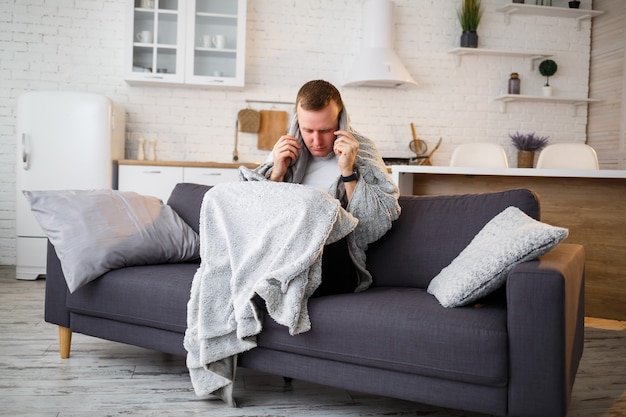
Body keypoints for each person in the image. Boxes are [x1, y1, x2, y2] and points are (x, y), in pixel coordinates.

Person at [242, 80, 401, 295]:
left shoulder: (362, 151)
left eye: (325, 130)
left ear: (340, 120)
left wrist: (348, 172)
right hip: (287, 249)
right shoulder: (285, 150)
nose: (316, 140)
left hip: (336, 255)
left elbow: (374, 224)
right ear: (298, 121)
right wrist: (278, 171)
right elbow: (256, 216)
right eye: (308, 130)